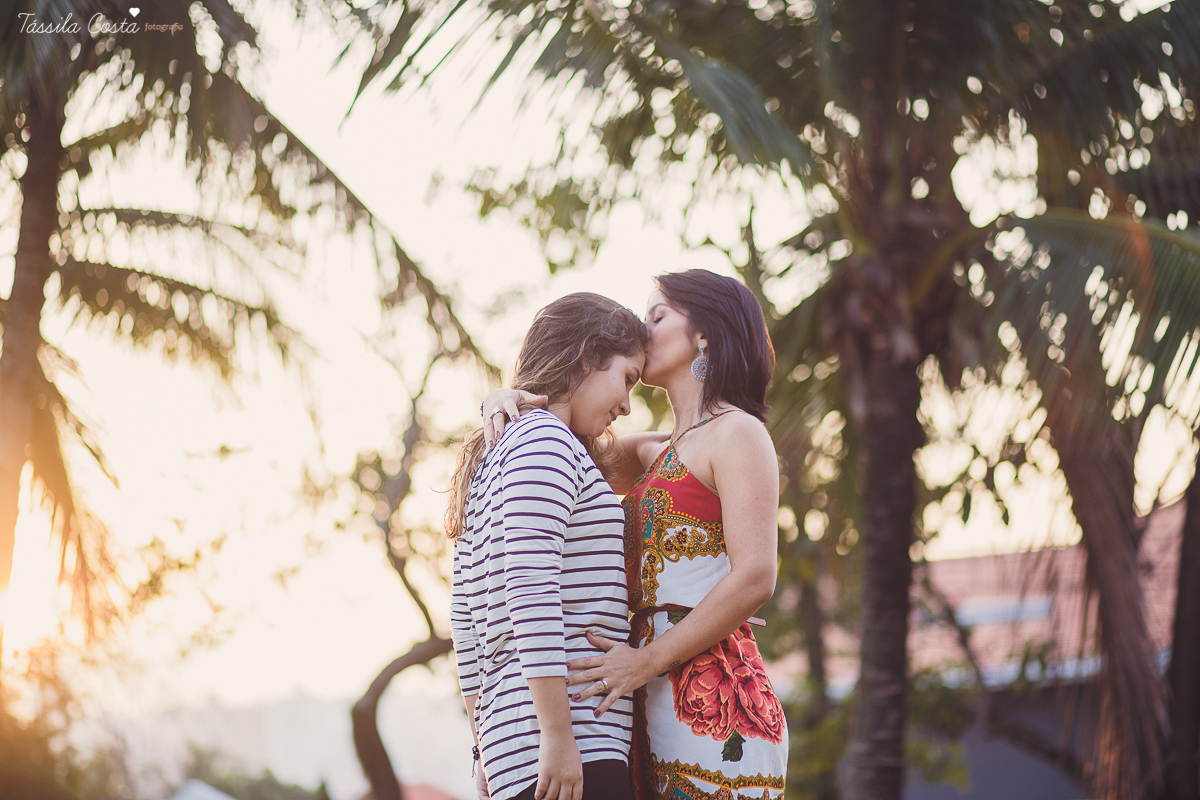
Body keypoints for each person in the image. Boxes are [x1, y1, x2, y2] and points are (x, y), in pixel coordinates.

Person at [481, 269, 788, 800]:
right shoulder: (655, 453)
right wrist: (505, 398)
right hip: (637, 696)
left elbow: (757, 575)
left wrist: (647, 660)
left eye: (658, 315)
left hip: (712, 697)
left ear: (704, 334)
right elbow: (562, 437)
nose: (643, 331)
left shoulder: (739, 434)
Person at [448, 293, 648, 800]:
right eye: (627, 378)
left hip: (519, 747)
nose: (627, 404)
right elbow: (529, 587)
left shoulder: (495, 455)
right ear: (588, 355)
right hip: (571, 742)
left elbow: (464, 620)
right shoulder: (545, 441)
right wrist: (558, 736)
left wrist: (482, 748)